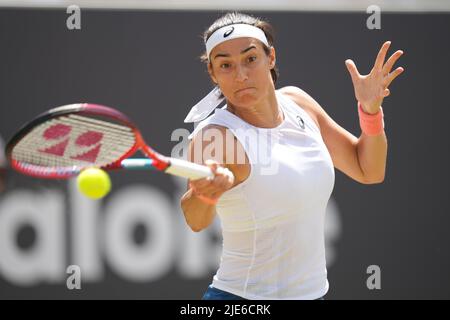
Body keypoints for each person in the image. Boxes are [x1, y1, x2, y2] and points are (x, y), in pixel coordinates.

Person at [180, 12, 404, 300]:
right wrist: (205, 193)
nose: (241, 75)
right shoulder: (216, 136)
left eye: (250, 59)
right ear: (213, 73)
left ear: (270, 57)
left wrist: (370, 111)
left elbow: (368, 170)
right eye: (226, 65)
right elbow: (195, 221)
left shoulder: (300, 103)